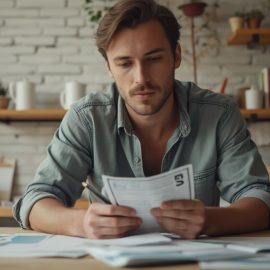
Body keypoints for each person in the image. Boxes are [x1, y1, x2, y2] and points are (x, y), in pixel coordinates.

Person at [14, 0, 270, 240]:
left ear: (176, 55)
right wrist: (80, 223)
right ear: (108, 67)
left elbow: (260, 196)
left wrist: (212, 220)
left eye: (154, 59)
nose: (141, 78)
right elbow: (35, 201)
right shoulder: (86, 118)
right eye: (125, 63)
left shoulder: (219, 114)